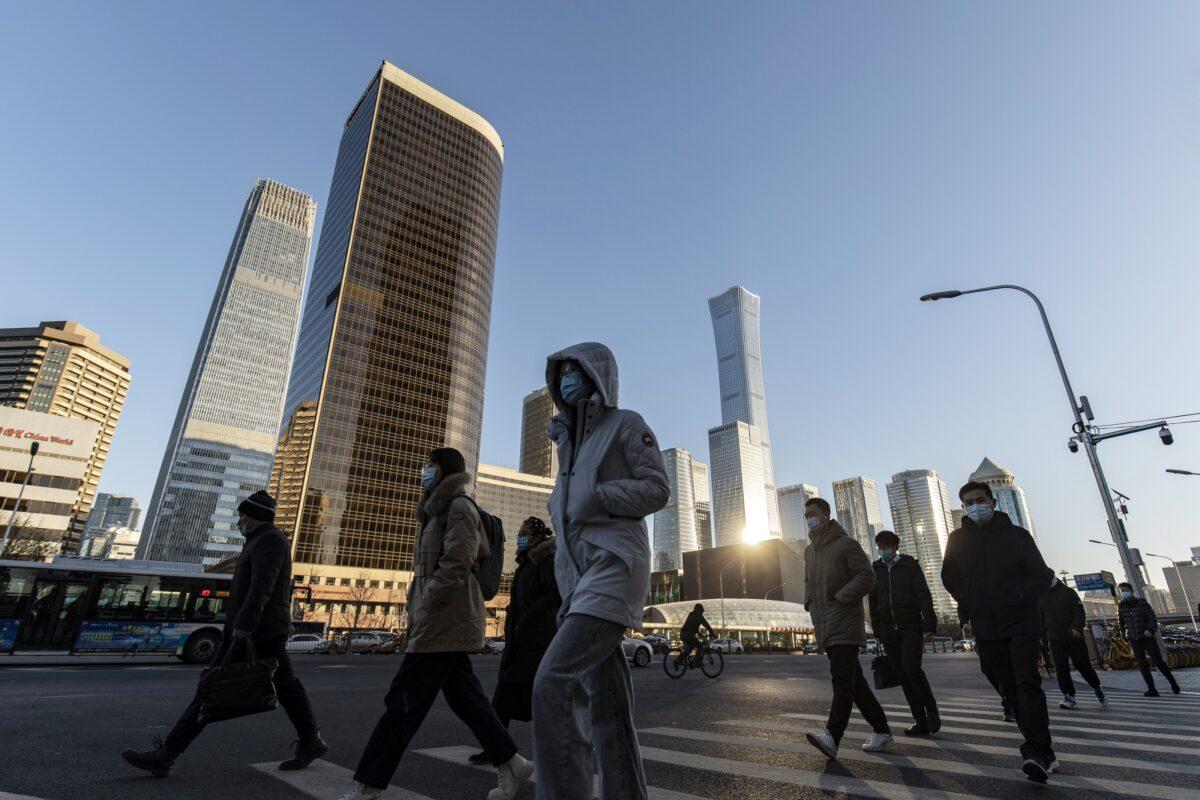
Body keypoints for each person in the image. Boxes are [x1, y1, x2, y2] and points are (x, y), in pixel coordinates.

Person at [335, 449, 533, 800]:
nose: (424, 470)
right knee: (466, 699)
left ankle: (369, 782)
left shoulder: (459, 507)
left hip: (444, 618)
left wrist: (428, 603)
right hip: (439, 619)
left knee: (403, 702)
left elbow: (458, 560)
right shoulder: (435, 511)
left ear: (444, 470)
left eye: (430, 465)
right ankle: (511, 761)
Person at [533, 342, 670, 800]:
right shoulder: (567, 444)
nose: (567, 377)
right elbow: (569, 527)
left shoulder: (625, 424)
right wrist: (567, 588)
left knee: (554, 680)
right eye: (562, 371)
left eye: (576, 369)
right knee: (608, 709)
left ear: (597, 375)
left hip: (615, 568)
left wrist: (599, 494)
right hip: (582, 580)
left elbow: (656, 489)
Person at [122, 491, 326, 777]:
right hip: (253, 629)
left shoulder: (270, 540)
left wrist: (245, 624)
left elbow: (263, 586)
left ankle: (167, 754)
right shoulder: (258, 541)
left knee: (213, 688)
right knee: (284, 687)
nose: (239, 520)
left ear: (255, 517)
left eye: (243, 515)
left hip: (255, 631)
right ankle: (311, 741)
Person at [942, 481, 1056, 783]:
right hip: (986, 625)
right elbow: (949, 577)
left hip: (1021, 622)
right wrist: (969, 601)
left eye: (980, 500)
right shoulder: (957, 539)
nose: (975, 506)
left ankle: (1037, 752)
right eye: (968, 502)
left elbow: (1042, 575)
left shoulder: (1017, 536)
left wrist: (1018, 597)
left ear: (993, 502)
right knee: (1006, 684)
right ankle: (1043, 747)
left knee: (1026, 681)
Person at [803, 497, 893, 760]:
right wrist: (808, 601)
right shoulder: (810, 551)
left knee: (842, 678)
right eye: (806, 514)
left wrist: (843, 596)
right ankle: (882, 730)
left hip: (844, 620)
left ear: (826, 514)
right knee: (855, 681)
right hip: (824, 622)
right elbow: (808, 580)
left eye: (813, 513)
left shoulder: (846, 544)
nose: (809, 518)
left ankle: (832, 736)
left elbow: (867, 576)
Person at [468, 517, 561, 765]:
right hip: (519, 639)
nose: (520, 536)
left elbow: (556, 595)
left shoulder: (545, 561)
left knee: (538, 698)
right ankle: (496, 748)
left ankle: (557, 752)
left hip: (536, 641)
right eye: (520, 532)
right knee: (503, 697)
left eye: (525, 533)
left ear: (538, 537)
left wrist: (530, 612)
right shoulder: (526, 562)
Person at [867, 529, 941, 735]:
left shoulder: (909, 566)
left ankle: (931, 709)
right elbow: (873, 603)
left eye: (886, 547)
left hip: (911, 626)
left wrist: (930, 625)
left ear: (896, 547)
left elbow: (923, 595)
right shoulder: (876, 569)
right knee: (902, 675)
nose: (882, 551)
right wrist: (877, 630)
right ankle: (920, 720)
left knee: (911, 669)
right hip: (888, 629)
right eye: (879, 547)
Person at [1040, 577, 1106, 708]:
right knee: (1061, 668)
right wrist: (1043, 638)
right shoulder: (1040, 596)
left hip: (1073, 636)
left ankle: (1097, 687)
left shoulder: (1068, 592)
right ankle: (1068, 696)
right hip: (1054, 637)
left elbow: (1079, 611)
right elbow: (1039, 618)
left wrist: (1076, 627)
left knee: (1082, 665)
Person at [1117, 582, 1180, 697]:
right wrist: (1124, 634)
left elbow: (1152, 618)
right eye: (1122, 591)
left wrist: (1150, 630)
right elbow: (1121, 622)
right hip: (1134, 639)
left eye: (1125, 590)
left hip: (1147, 638)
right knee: (1142, 664)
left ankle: (1173, 683)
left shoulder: (1142, 603)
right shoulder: (1121, 606)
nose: (1124, 593)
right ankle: (1152, 689)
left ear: (1131, 591)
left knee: (1158, 662)